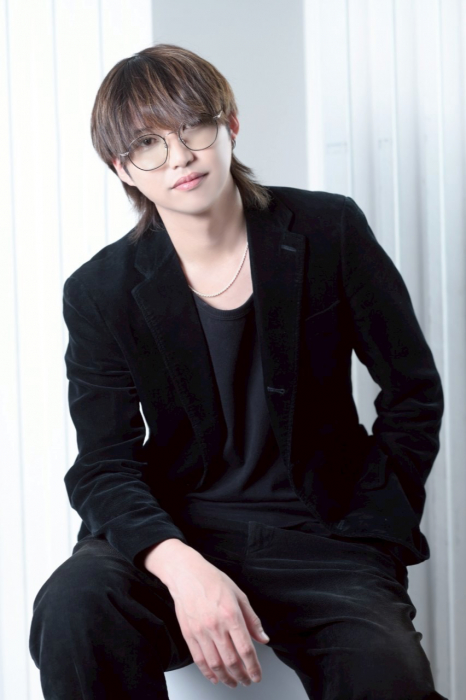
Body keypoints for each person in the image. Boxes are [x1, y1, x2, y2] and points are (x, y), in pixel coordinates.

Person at [29, 43, 447, 699]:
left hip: (326, 536)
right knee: (74, 606)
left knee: (388, 671)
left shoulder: (328, 229)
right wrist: (177, 563)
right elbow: (103, 464)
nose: (179, 156)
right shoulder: (100, 291)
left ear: (230, 125)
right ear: (122, 168)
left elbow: (412, 392)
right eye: (147, 144)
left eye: (192, 126)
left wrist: (380, 522)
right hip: (183, 529)